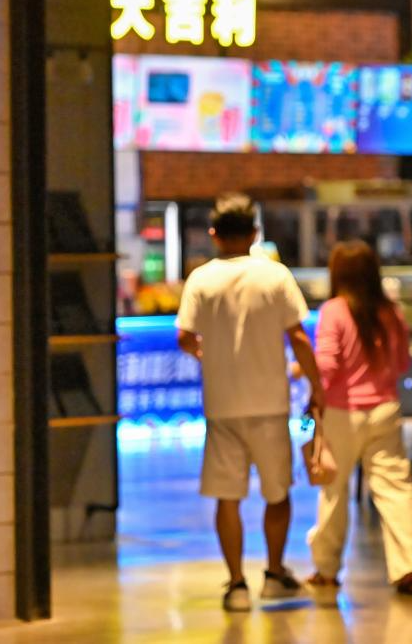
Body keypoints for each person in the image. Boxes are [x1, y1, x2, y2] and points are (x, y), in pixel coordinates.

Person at [176, 192, 325, 612]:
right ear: (255, 233)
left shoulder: (201, 279)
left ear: (214, 234)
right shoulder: (274, 276)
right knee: (277, 493)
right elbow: (298, 337)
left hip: (222, 405)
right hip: (270, 403)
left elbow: (184, 337)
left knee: (228, 497)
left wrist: (210, 357)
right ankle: (274, 575)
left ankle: (237, 585)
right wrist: (317, 387)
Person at [306, 240, 412, 600]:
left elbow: (327, 365)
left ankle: (326, 569)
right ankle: (407, 566)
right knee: (395, 489)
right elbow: (402, 362)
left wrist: (308, 383)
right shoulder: (391, 311)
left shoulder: (333, 310)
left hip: (342, 413)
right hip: (385, 409)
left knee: (334, 491)